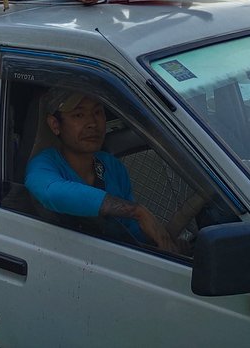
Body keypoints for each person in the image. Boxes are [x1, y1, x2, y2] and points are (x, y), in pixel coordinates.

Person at [25, 89, 173, 251]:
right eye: (79, 115)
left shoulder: (111, 165)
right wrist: (136, 211)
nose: (93, 124)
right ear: (55, 125)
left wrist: (164, 242)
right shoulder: (44, 164)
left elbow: (130, 231)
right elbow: (51, 192)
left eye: (97, 112)